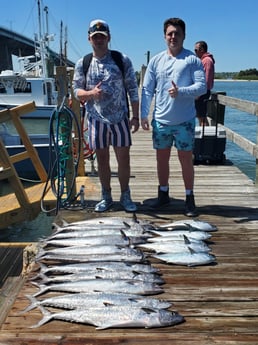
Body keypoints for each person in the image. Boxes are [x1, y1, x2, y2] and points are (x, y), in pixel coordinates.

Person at [140, 17, 206, 217]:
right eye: (170, 33)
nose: (173, 37)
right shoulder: (156, 60)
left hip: (184, 121)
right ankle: (163, 194)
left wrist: (181, 92)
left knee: (186, 160)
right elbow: (147, 89)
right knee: (162, 159)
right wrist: (143, 114)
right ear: (164, 36)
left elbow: (202, 87)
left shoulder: (192, 60)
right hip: (161, 121)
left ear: (184, 35)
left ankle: (189, 197)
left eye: (177, 33)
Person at [72, 19, 140, 212]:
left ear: (108, 38)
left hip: (120, 119)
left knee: (123, 159)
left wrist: (135, 116)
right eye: (95, 37)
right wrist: (90, 94)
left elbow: (133, 89)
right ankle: (106, 195)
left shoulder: (122, 59)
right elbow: (76, 91)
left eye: (102, 37)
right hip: (96, 120)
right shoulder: (83, 63)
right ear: (89, 39)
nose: (99, 40)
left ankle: (125, 195)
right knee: (102, 160)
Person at [194, 40, 215, 126]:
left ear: (202, 49)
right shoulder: (205, 60)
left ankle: (204, 137)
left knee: (202, 117)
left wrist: (198, 94)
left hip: (203, 92)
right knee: (200, 116)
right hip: (202, 92)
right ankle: (203, 136)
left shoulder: (206, 60)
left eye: (196, 50)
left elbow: (206, 78)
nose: (195, 52)